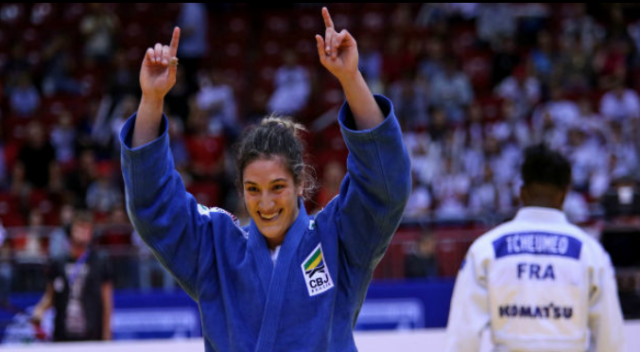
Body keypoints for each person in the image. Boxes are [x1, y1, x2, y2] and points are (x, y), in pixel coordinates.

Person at [120, 7, 410, 352]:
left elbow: (385, 186)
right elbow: (153, 205)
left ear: (301, 184)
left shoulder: (339, 239)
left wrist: (350, 79)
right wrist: (152, 100)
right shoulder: (217, 248)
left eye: (277, 187)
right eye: (252, 190)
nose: (266, 203)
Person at [444, 144, 625, 352]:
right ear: (564, 194)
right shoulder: (590, 253)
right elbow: (611, 340)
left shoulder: (487, 249)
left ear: (522, 192)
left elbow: (462, 338)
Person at [32, 210, 113, 342]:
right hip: (63, 335)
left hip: (92, 334)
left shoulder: (100, 261)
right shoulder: (58, 261)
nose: (83, 232)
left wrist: (107, 336)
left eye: (87, 229)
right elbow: (50, 296)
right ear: (71, 231)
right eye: (79, 228)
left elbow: (107, 302)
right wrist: (40, 310)